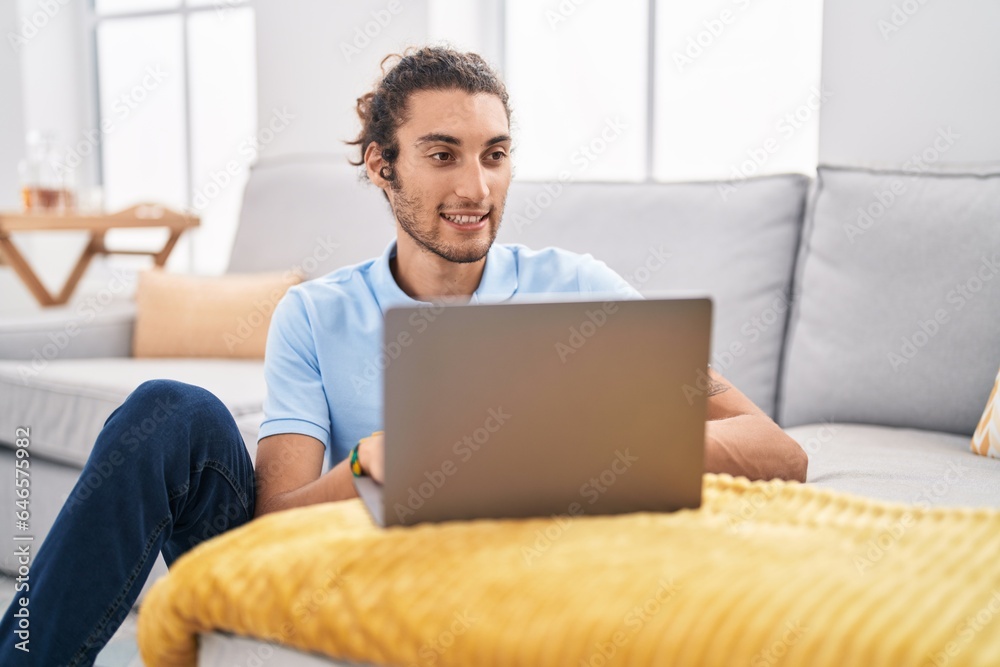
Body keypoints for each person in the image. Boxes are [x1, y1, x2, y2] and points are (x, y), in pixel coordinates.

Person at [0, 46, 807, 666]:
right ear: (384, 168)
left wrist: (572, 450)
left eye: (495, 154)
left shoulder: (579, 290)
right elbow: (270, 525)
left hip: (504, 571)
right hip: (340, 557)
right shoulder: (317, 312)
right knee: (170, 409)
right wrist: (375, 466)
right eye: (443, 152)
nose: (478, 187)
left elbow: (779, 451)